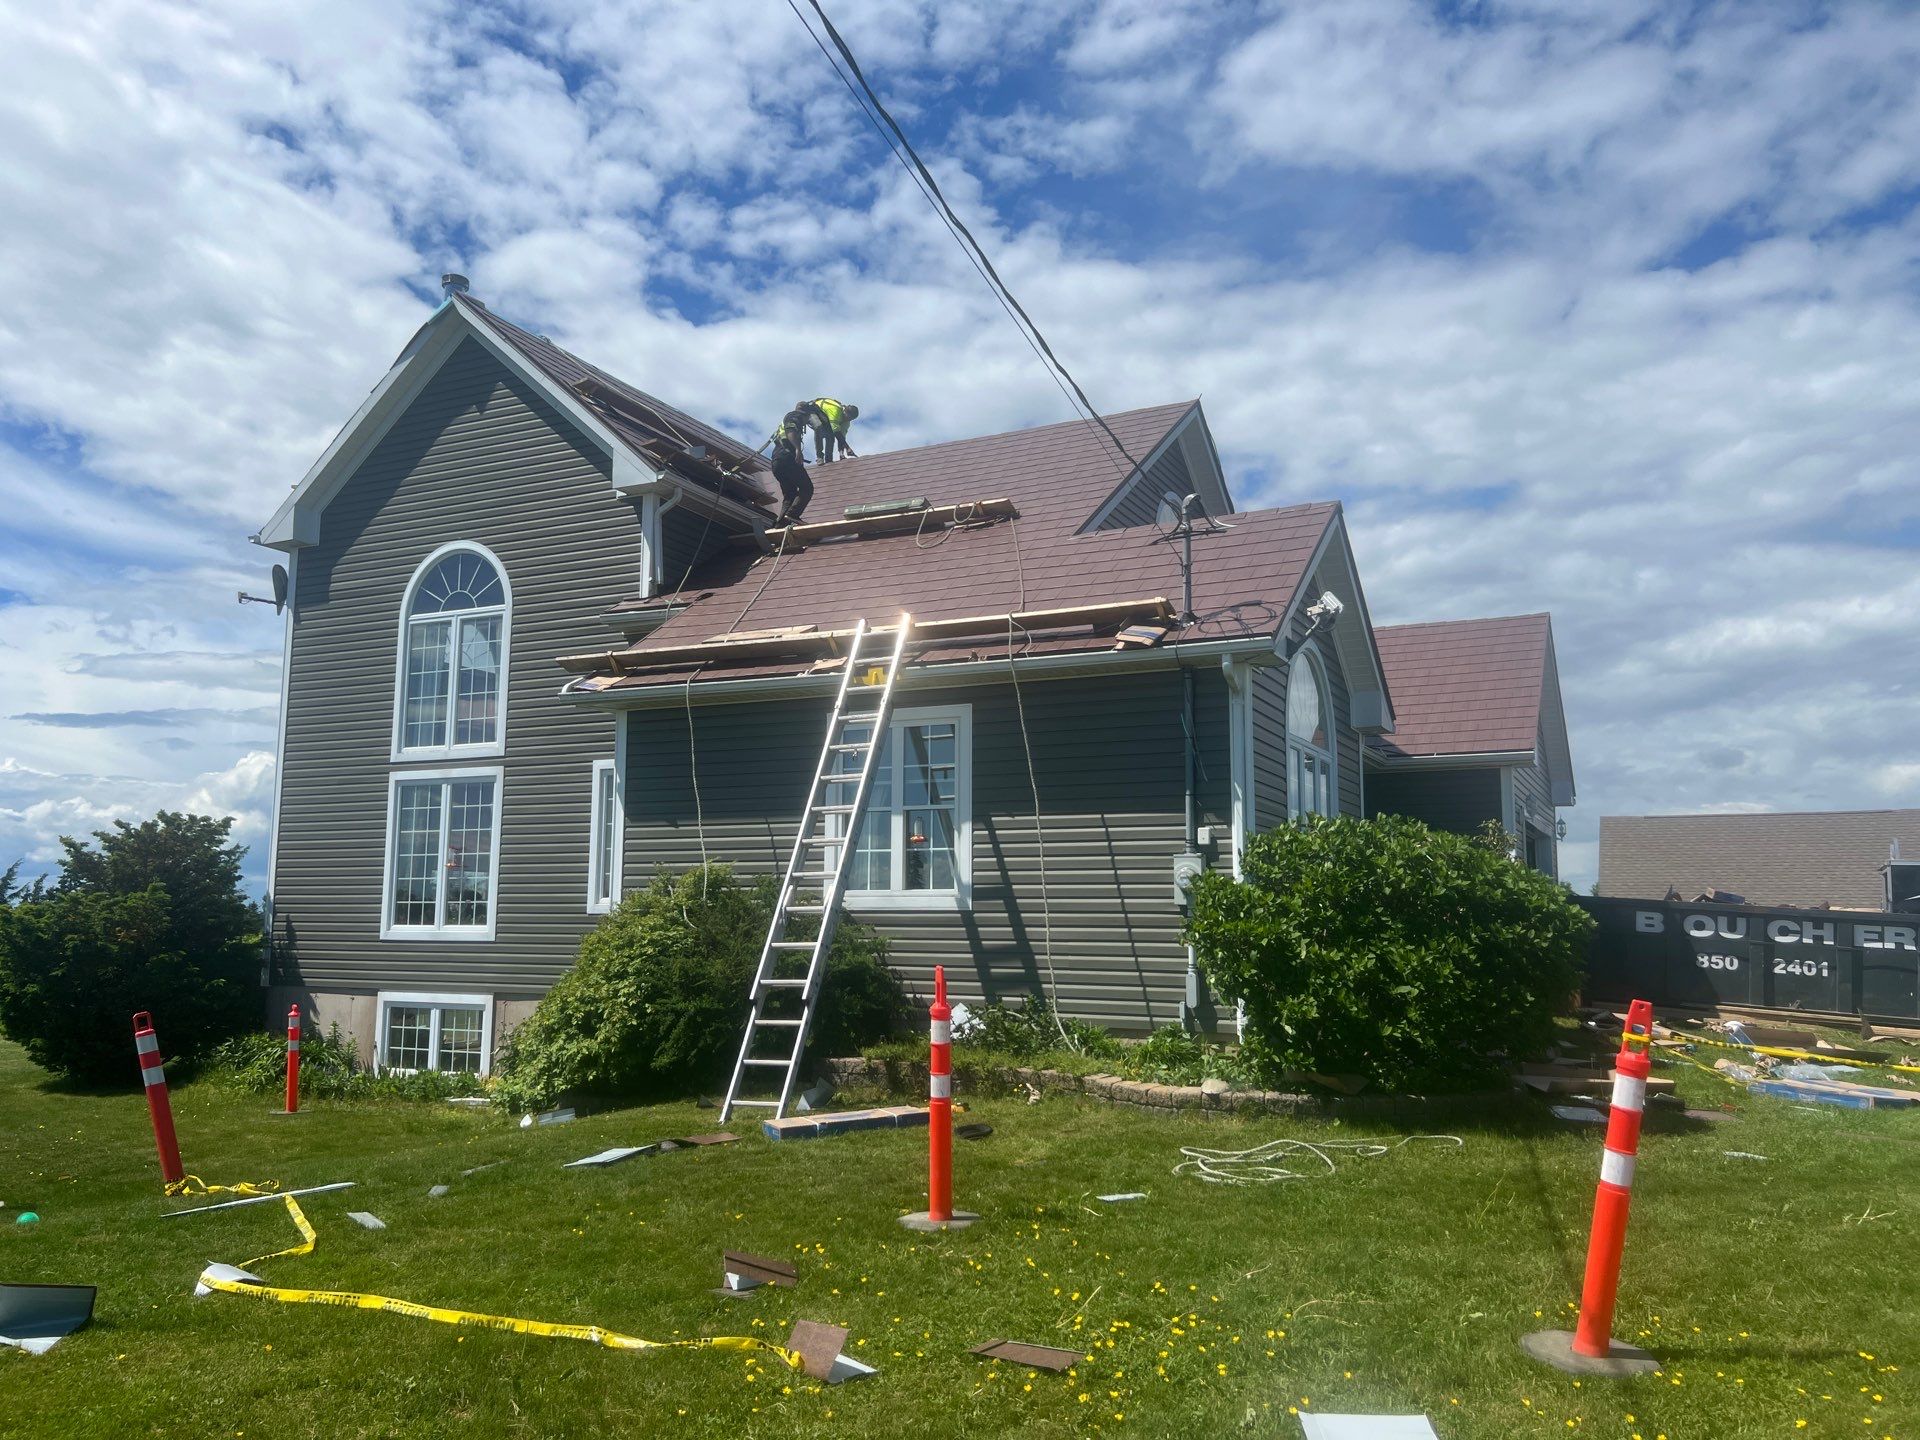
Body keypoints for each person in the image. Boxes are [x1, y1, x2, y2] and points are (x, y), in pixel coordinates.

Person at [768, 404, 814, 525]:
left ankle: (780, 525)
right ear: (805, 414)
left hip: (777, 462)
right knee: (807, 488)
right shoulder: (795, 416)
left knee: (790, 495)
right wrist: (797, 449)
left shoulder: (785, 421)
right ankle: (792, 515)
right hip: (787, 458)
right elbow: (791, 430)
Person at [806, 397, 859, 463]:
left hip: (824, 418)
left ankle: (828, 460)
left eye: (851, 419)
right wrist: (848, 448)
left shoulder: (846, 422)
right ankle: (819, 457)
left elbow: (841, 438)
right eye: (848, 417)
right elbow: (836, 432)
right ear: (844, 412)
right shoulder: (835, 410)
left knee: (831, 436)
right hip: (813, 410)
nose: (848, 420)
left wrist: (841, 454)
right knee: (818, 427)